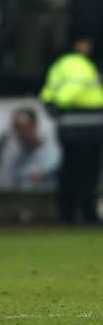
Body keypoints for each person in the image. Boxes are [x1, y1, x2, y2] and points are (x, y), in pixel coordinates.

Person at [40, 36, 103, 223]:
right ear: (77, 44)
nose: (89, 48)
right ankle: (87, 213)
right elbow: (75, 87)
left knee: (69, 169)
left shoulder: (59, 65)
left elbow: (49, 89)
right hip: (88, 124)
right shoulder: (80, 63)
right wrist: (60, 103)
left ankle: (66, 213)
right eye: (86, 43)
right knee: (88, 172)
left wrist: (50, 103)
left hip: (67, 125)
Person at [8, 107, 61, 191]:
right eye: (17, 127)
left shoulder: (55, 153)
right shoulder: (16, 157)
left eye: (24, 127)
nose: (21, 132)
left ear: (35, 125)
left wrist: (46, 175)